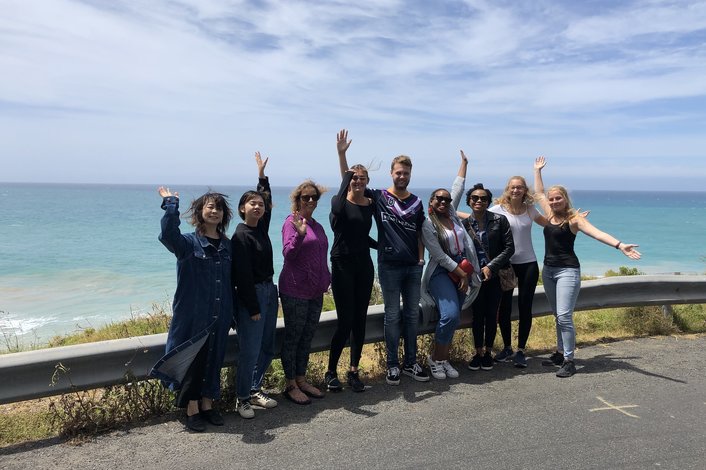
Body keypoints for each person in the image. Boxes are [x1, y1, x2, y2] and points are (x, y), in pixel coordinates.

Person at [534, 157, 641, 377]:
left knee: (564, 316)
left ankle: (569, 360)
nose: (553, 201)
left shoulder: (574, 219)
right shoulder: (549, 213)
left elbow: (597, 233)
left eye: (558, 198)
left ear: (566, 199)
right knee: (557, 315)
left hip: (567, 271)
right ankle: (559, 352)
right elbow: (538, 193)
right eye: (552, 199)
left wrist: (620, 245)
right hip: (548, 270)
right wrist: (537, 171)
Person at [337, 132, 429, 385]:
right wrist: (342, 155)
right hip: (389, 265)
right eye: (398, 172)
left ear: (410, 175)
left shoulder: (417, 202)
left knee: (412, 315)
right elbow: (350, 182)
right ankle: (392, 365)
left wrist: (421, 259)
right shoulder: (379, 197)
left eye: (406, 173)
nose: (402, 176)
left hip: (413, 266)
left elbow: (420, 233)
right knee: (392, 316)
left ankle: (410, 362)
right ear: (391, 173)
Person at [150, 187, 233, 432]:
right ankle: (192, 408)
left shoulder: (228, 246)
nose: (215, 211)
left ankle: (208, 404)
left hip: (221, 312)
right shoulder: (187, 243)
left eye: (219, 208)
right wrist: (170, 204)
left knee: (214, 358)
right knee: (192, 360)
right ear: (199, 212)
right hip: (193, 314)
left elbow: (233, 281)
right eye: (210, 207)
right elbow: (167, 234)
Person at [420, 150, 481, 380]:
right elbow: (438, 255)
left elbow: (457, 188)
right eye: (439, 198)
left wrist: (464, 164)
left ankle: (444, 360)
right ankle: (435, 360)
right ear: (431, 202)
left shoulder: (453, 215)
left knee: (454, 318)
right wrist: (462, 275)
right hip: (442, 272)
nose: (444, 201)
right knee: (450, 314)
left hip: (462, 269)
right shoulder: (428, 224)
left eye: (446, 199)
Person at [325, 129, 377, 393]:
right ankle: (331, 371)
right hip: (342, 264)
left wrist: (384, 246)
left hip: (364, 265)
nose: (358, 181)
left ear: (367, 181)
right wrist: (341, 157)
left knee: (360, 320)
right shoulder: (339, 202)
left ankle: (354, 371)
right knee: (345, 321)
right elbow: (339, 213)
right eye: (354, 178)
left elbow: (362, 235)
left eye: (362, 178)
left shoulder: (370, 203)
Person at [231, 152, 279, 418]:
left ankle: (253, 388)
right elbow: (242, 276)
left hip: (270, 290)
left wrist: (262, 178)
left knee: (267, 346)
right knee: (250, 350)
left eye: (260, 204)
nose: (258, 207)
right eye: (252, 203)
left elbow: (267, 201)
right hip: (253, 294)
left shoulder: (260, 229)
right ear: (242, 209)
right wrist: (252, 307)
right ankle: (242, 399)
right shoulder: (240, 236)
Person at [488, 162, 549, 368]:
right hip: (506, 265)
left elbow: (550, 223)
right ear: (508, 189)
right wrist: (451, 214)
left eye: (519, 187)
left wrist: (572, 218)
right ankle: (507, 348)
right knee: (504, 307)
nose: (516, 190)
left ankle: (521, 350)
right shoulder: (497, 210)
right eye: (513, 187)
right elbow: (474, 218)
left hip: (528, 264)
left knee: (525, 307)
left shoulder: (530, 210)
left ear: (524, 190)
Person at [279, 180, 331, 405]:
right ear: (297, 200)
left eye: (314, 197)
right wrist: (299, 235)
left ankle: (301, 379)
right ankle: (290, 384)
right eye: (305, 197)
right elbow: (288, 254)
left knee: (307, 336)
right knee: (293, 337)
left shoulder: (317, 226)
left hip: (315, 291)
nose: (310, 200)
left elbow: (320, 256)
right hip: (294, 289)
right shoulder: (291, 222)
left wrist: (326, 278)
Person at [461, 183, 515, 371]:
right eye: (475, 198)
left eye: (484, 198)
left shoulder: (500, 220)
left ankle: (488, 352)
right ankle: (478, 353)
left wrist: (491, 266)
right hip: (475, 277)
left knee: (492, 314)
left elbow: (509, 248)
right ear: (469, 201)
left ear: (488, 202)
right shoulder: (464, 225)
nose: (479, 201)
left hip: (496, 275)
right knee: (477, 315)